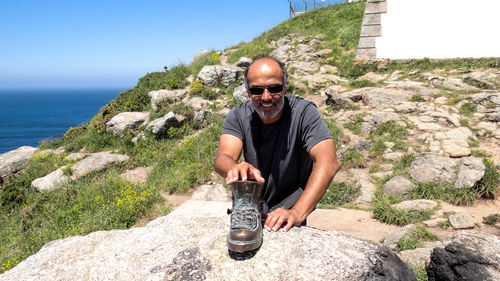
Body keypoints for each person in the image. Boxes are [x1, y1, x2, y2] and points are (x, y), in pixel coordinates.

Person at [214, 56, 339, 233]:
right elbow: (223, 157)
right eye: (257, 90)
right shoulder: (238, 115)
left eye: (274, 88)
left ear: (285, 87)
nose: (266, 97)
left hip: (288, 212)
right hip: (250, 208)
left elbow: (328, 162)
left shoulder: (304, 113)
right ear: (248, 93)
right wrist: (236, 168)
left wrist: (296, 212)